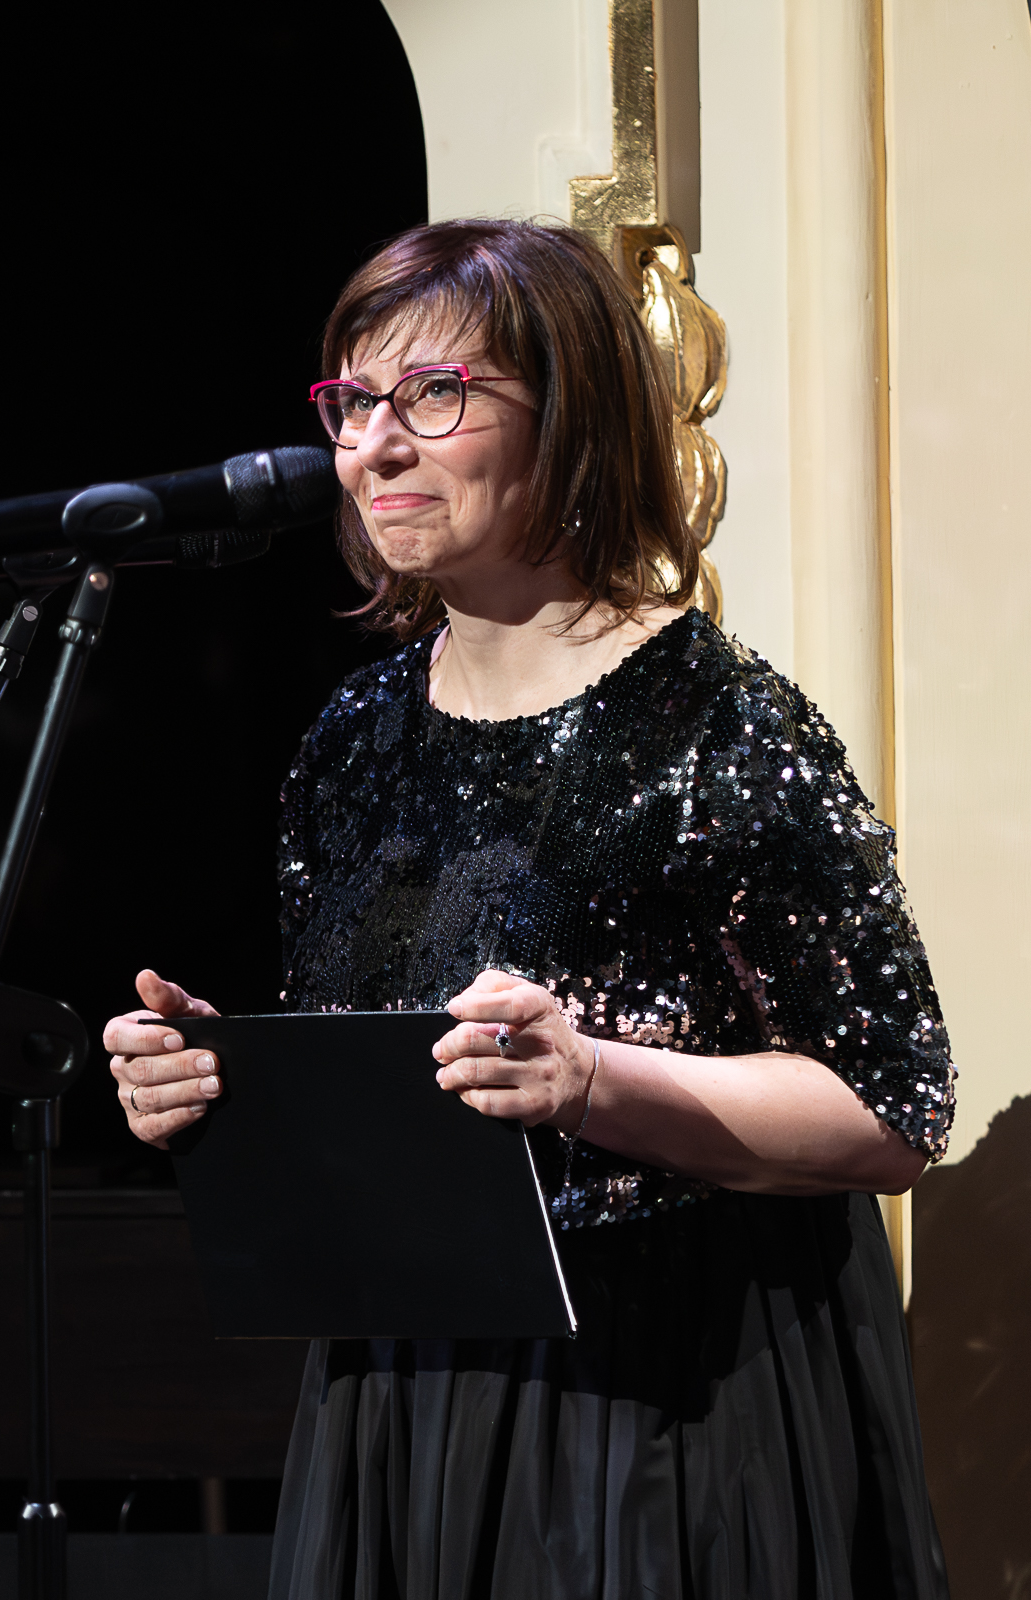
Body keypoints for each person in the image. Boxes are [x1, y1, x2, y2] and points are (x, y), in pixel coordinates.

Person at [103, 219, 955, 1599]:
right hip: (407, 1384)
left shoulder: (719, 727)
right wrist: (225, 1086)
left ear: (573, 421)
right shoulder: (354, 739)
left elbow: (892, 1109)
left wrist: (592, 1081)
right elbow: (390, 1085)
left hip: (664, 1387)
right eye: (353, 404)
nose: (376, 447)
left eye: (434, 396)